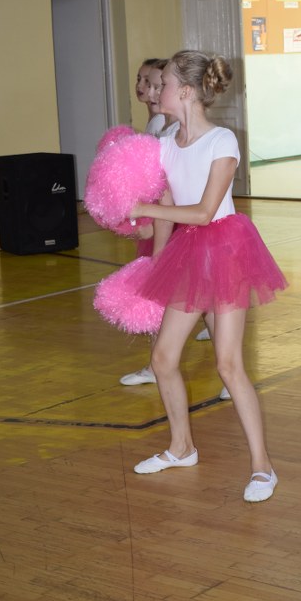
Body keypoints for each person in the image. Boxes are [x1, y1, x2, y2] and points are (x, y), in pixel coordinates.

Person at [128, 50, 288, 502]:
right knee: (163, 358)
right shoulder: (164, 144)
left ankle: (262, 467)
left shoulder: (222, 141)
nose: (155, 91)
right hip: (188, 253)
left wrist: (147, 207)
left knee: (228, 364)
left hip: (226, 250)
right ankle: (181, 448)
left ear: (185, 91)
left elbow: (201, 211)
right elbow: (164, 211)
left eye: (163, 84)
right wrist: (148, 243)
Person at [120, 59, 219, 387]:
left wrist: (153, 227)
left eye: (156, 84)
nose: (147, 90)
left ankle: (227, 372)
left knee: (205, 300)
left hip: (187, 230)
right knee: (185, 299)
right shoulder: (160, 131)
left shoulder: (191, 135)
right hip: (167, 224)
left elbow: (189, 200)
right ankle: (158, 364)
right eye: (145, 82)